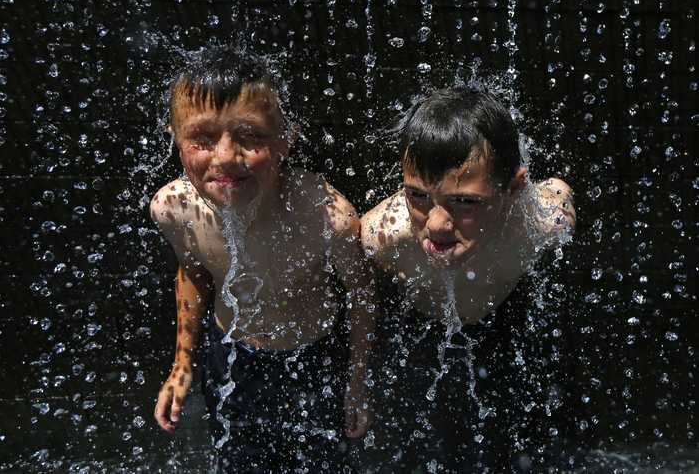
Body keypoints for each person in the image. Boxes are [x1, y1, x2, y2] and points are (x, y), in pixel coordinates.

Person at [149, 47, 373, 473]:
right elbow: (193, 271)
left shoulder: (327, 218)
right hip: (230, 351)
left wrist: (357, 382)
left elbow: (361, 290)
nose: (225, 157)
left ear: (286, 138)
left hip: (316, 357)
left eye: (250, 137)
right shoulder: (174, 208)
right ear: (175, 138)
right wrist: (181, 364)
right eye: (202, 139)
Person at [360, 86, 576, 473]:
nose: (438, 224)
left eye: (465, 202)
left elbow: (557, 195)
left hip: (508, 322)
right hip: (422, 331)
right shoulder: (383, 237)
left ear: (513, 188)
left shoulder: (544, 223)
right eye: (419, 196)